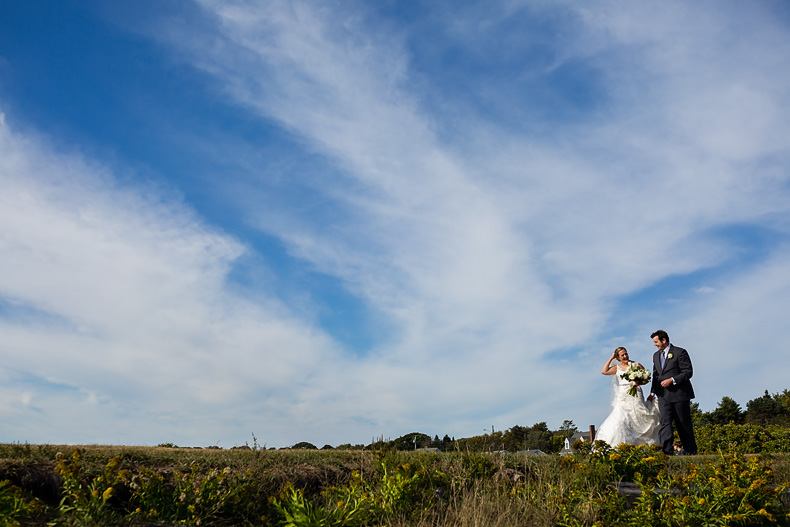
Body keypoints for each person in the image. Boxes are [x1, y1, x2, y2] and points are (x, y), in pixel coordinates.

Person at [595, 346, 660, 448]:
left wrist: (638, 382)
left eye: (626, 354)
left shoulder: (636, 365)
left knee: (638, 418)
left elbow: (646, 379)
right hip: (622, 396)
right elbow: (604, 371)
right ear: (619, 358)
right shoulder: (617, 368)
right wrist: (611, 358)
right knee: (621, 419)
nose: (625, 356)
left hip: (636, 394)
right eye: (622, 355)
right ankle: (619, 445)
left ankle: (641, 445)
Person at [647, 330, 698, 455]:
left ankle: (691, 451)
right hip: (663, 395)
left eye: (656, 342)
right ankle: (667, 452)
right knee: (665, 422)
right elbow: (656, 375)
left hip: (680, 394)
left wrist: (672, 380)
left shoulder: (680, 352)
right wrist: (652, 393)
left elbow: (688, 372)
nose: (654, 345)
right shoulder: (655, 356)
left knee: (683, 424)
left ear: (664, 340)